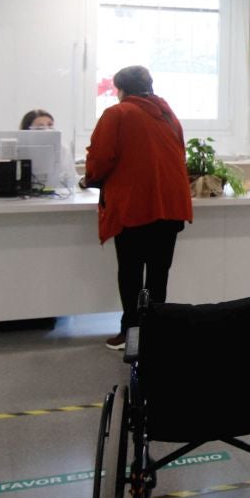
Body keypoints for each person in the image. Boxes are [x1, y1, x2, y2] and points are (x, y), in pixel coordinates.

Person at [83, 66, 192, 351]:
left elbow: (100, 158)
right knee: (158, 274)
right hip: (170, 207)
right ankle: (155, 332)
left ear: (121, 89)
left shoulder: (118, 113)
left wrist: (90, 179)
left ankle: (131, 332)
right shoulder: (168, 113)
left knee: (130, 273)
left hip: (134, 207)